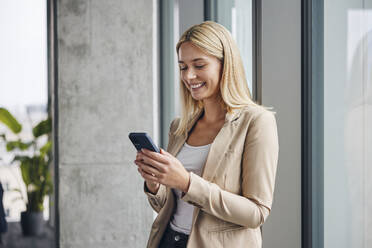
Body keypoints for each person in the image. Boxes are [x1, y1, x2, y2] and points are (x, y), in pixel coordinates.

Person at [134, 21, 279, 248]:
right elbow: (167, 206)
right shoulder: (179, 127)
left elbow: (256, 213)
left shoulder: (256, 122)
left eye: (199, 65)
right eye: (183, 67)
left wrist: (187, 182)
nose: (189, 76)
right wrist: (155, 183)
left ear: (226, 65)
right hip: (168, 241)